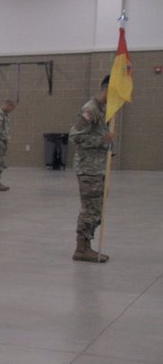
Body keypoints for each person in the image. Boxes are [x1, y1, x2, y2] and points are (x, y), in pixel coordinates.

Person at [69, 76, 112, 263]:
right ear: (107, 89)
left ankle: (86, 246)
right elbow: (75, 136)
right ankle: (81, 249)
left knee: (96, 208)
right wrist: (101, 140)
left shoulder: (103, 109)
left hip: (98, 168)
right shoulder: (91, 109)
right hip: (88, 168)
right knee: (90, 209)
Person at [0, 98, 16, 191]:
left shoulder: (5, 114)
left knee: (0, 163)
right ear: (8, 105)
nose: (11, 110)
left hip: (2, 142)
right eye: (11, 108)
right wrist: (5, 138)